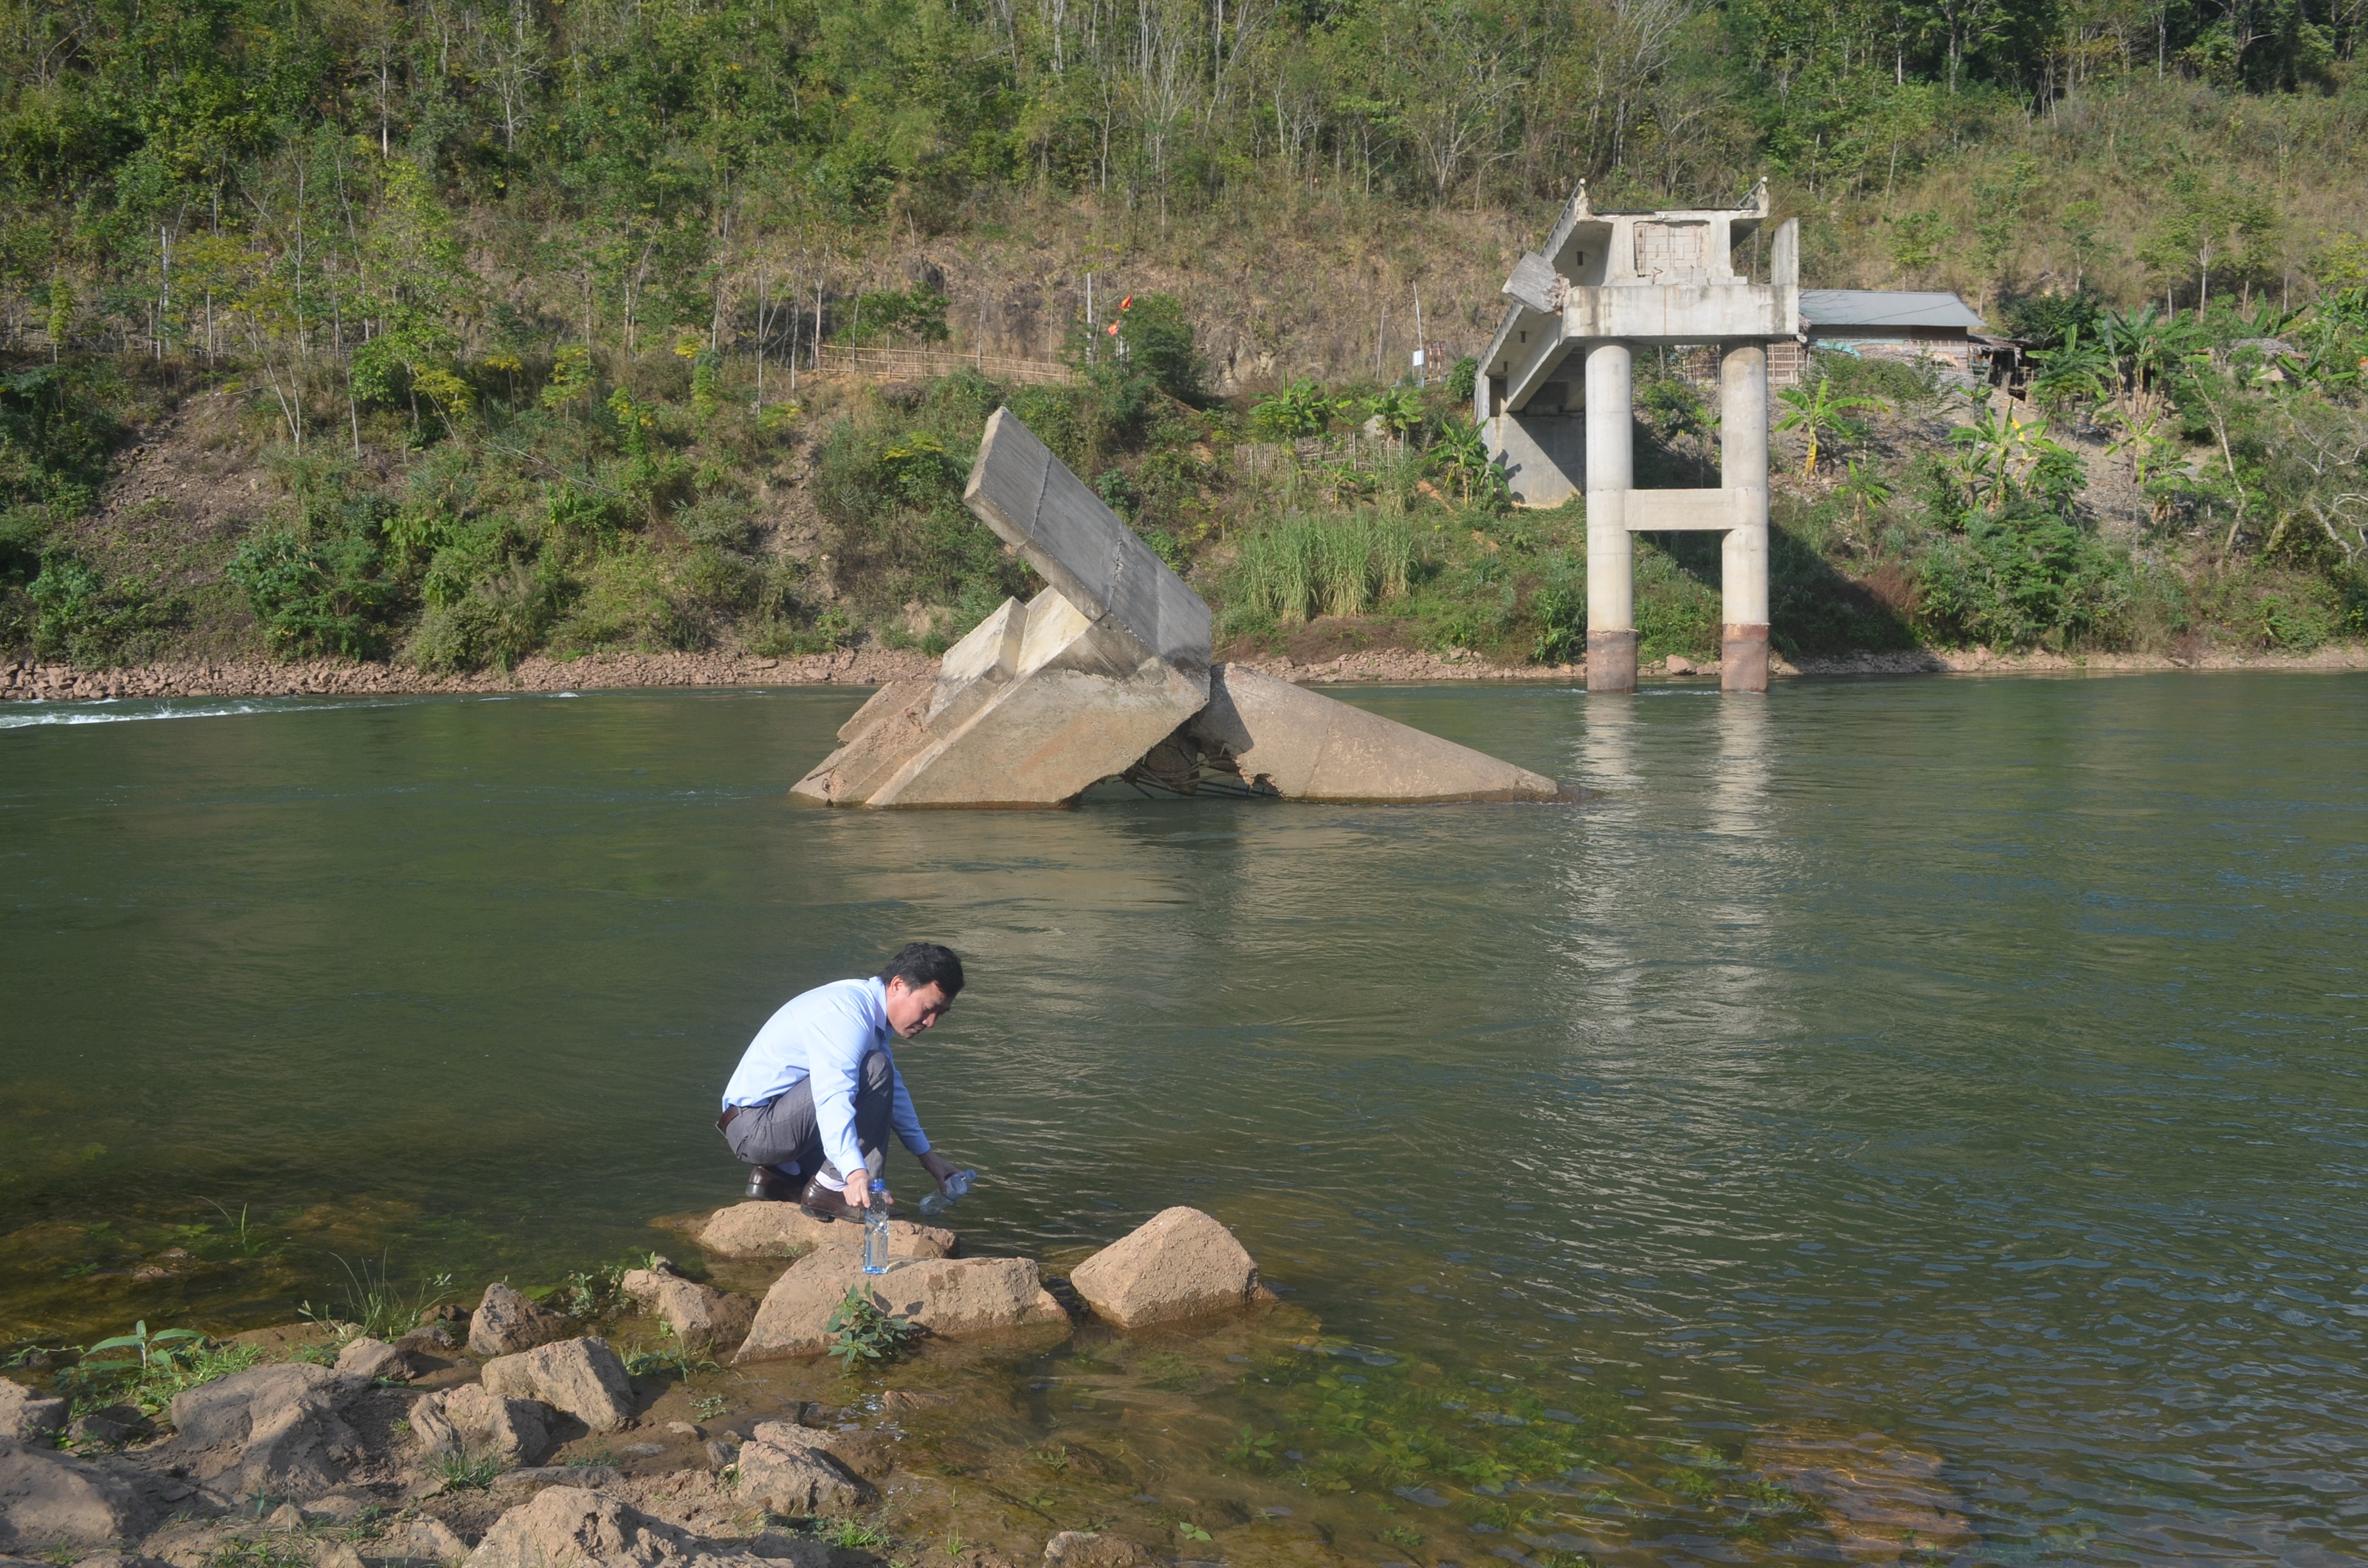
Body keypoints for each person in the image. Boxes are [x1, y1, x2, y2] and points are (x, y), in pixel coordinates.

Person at [716, 942, 967, 1221]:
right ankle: (830, 1190)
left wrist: (927, 1157)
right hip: (757, 1130)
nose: (930, 1022)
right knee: (874, 1069)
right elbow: (833, 1097)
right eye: (928, 1008)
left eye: (940, 1015)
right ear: (897, 985)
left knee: (877, 1072)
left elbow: (891, 1093)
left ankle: (779, 1176)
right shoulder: (846, 1014)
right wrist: (853, 1174)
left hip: (767, 1125)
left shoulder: (866, 1013)